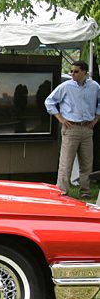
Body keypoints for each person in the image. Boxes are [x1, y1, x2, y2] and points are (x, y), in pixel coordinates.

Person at [44, 60, 100, 197]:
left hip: (87, 128)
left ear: (84, 72)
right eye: (71, 71)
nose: (72, 74)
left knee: (87, 162)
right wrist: (60, 118)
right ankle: (62, 191)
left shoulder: (95, 86)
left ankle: (85, 190)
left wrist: (96, 118)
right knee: (66, 162)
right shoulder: (66, 86)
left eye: (76, 71)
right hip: (71, 127)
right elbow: (49, 101)